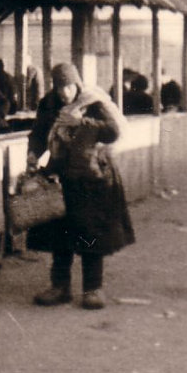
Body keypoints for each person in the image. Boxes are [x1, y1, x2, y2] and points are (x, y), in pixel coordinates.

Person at [27, 62, 134, 310]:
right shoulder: (50, 104)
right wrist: (33, 154)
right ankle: (60, 287)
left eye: (68, 86)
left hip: (92, 177)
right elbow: (39, 133)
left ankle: (92, 289)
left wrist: (81, 123)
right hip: (61, 176)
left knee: (90, 234)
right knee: (60, 234)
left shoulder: (93, 102)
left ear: (77, 83)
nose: (65, 92)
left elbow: (113, 132)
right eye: (60, 87)